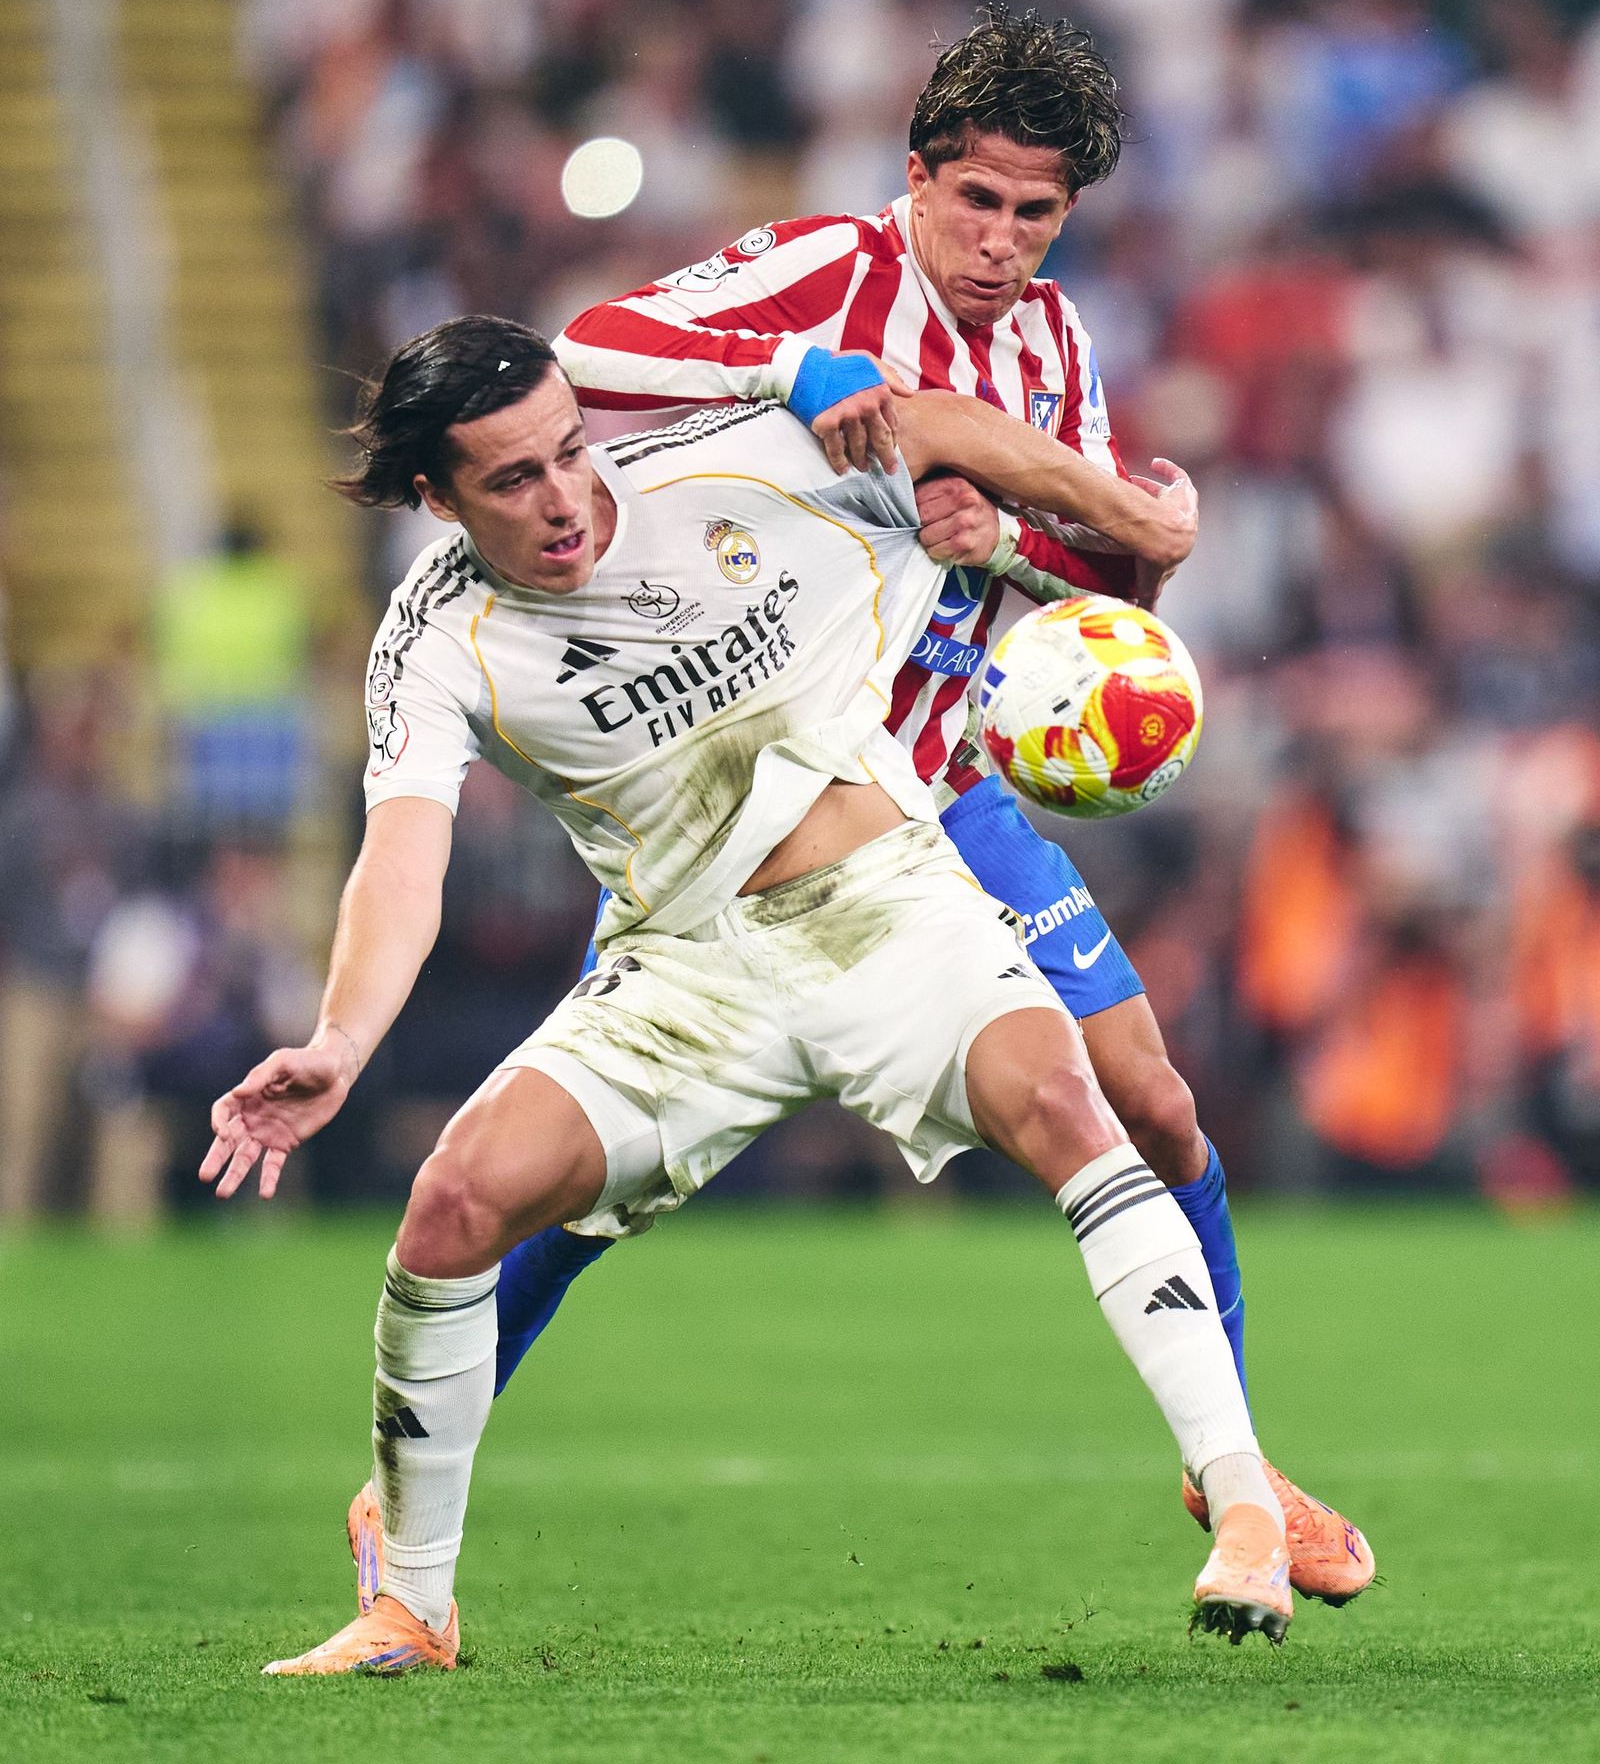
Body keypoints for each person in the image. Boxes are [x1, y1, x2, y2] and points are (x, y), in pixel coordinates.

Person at [204, 315, 1295, 1672]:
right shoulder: (434, 637)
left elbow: (942, 424)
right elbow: (403, 858)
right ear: (435, 499)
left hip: (891, 909)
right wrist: (342, 1038)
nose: (565, 498)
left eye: (568, 451)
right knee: (452, 1203)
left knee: (1078, 1110)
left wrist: (1123, 513)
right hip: (690, 968)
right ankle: (411, 1606)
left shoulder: (726, 461)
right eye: (512, 481)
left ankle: (1245, 1509)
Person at [496, 6, 1373, 1604]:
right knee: (589, 1176)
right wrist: (802, 373)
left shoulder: (1050, 344)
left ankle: (1229, 1463)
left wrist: (1037, 545)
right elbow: (581, 357)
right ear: (918, 178)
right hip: (770, 796)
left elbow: (1091, 572)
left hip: (951, 786)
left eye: (1037, 215)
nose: (1000, 242)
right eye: (977, 202)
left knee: (1156, 1105)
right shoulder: (827, 270)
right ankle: (415, 1468)